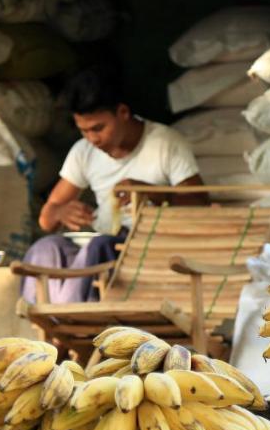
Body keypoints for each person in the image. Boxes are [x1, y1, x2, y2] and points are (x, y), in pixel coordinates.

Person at [21, 67, 205, 304]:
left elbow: (199, 204)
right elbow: (46, 219)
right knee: (46, 248)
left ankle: (70, 323)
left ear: (123, 112)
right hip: (102, 245)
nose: (92, 139)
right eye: (83, 130)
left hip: (146, 248)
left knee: (99, 247)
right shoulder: (83, 152)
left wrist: (151, 193)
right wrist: (61, 211)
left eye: (98, 128)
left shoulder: (165, 143)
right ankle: (49, 320)